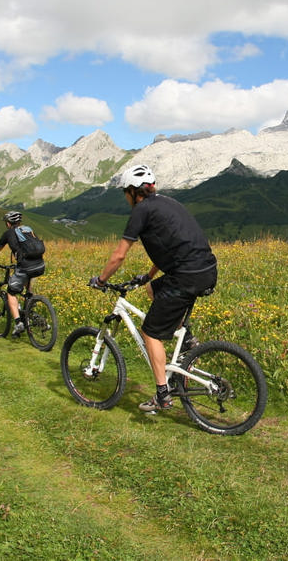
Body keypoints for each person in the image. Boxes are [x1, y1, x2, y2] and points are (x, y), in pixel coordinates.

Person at [90, 164, 217, 413]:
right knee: (152, 290)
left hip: (185, 277)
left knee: (150, 332)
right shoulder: (168, 203)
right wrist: (148, 277)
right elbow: (168, 245)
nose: (125, 198)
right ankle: (186, 338)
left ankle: (162, 394)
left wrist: (101, 280)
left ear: (132, 192)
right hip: (206, 271)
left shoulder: (141, 210)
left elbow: (118, 256)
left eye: (125, 193)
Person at [0, 211, 46, 336]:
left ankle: (19, 323)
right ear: (19, 222)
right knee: (27, 287)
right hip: (40, 264)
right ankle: (30, 309)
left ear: (8, 223)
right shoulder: (28, 229)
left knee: (11, 292)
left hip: (25, 266)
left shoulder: (8, 233)